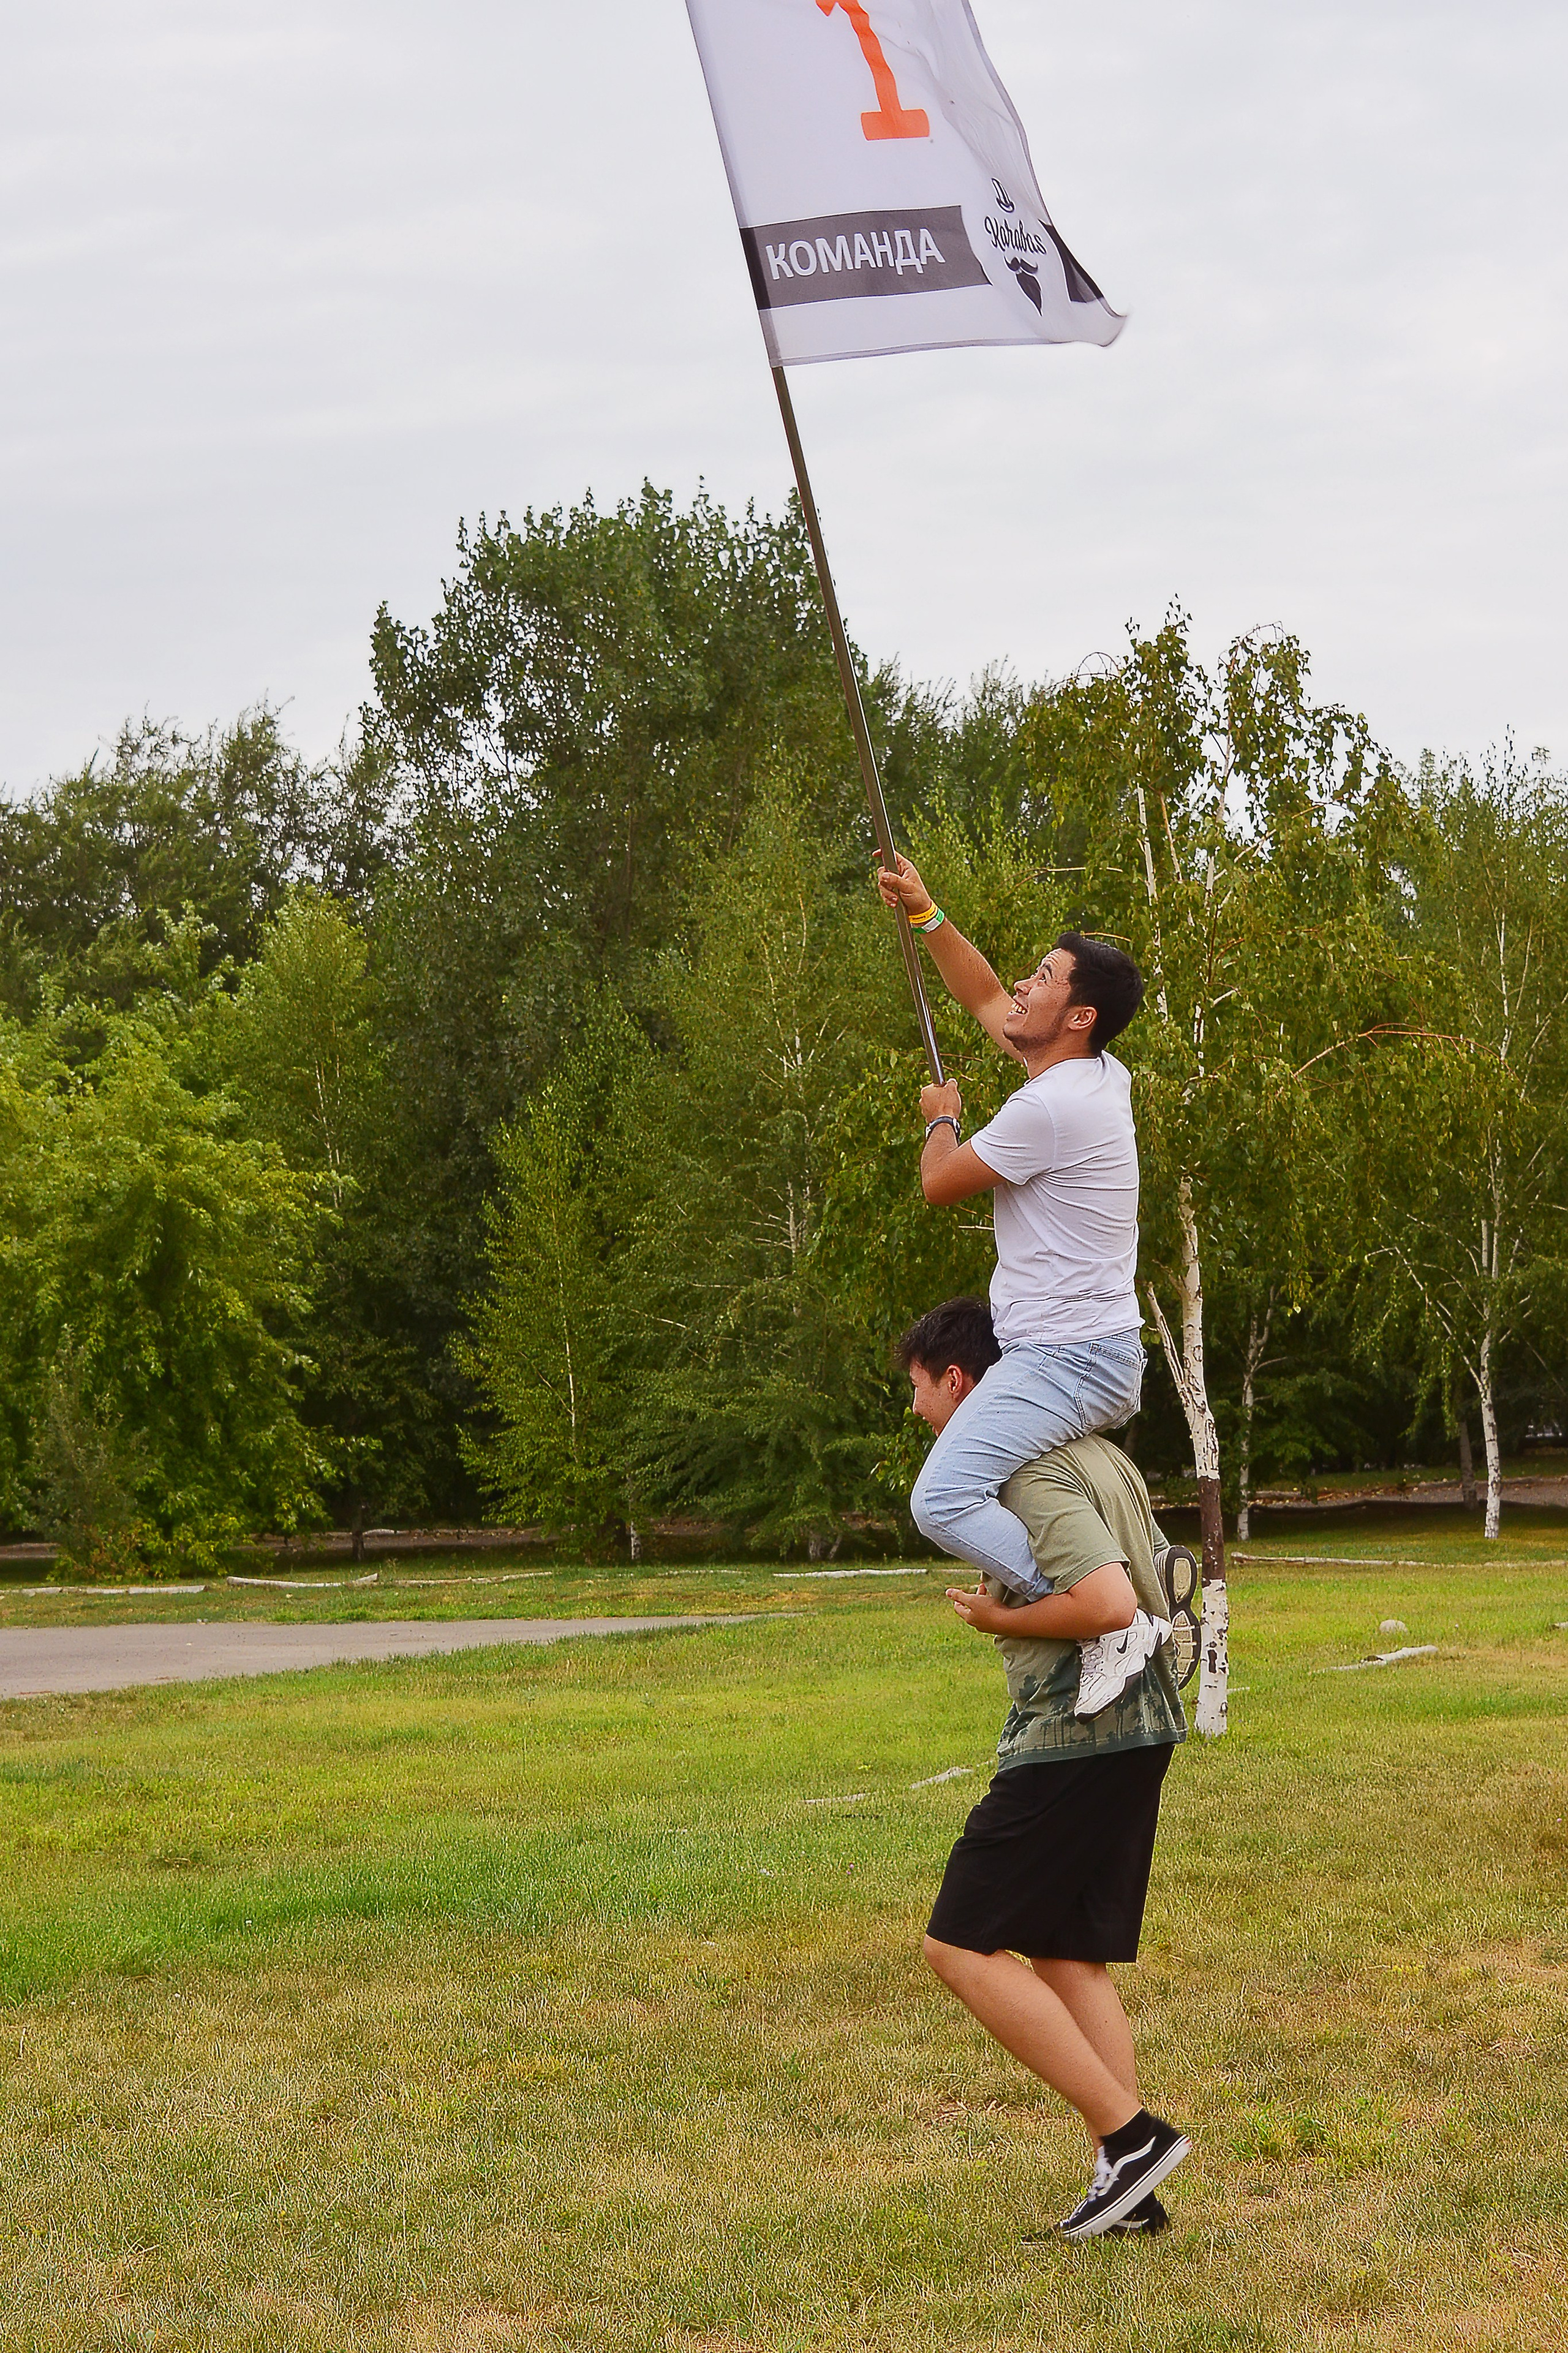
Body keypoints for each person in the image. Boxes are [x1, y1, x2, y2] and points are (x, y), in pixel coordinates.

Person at [899, 1297, 1191, 2238]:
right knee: (1066, 1951)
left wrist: (1002, 1617)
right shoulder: (1100, 1451)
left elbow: (1106, 1602)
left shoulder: (1023, 1465)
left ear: (960, 1382)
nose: (917, 1411)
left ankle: (1132, 2137)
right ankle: (1128, 2187)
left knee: (958, 1942)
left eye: (919, 1389)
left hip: (1078, 1730)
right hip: (1136, 1726)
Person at [876, 853, 1163, 1713]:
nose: (1023, 987)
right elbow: (983, 997)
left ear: (1079, 1015)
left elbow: (940, 1183)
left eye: (1043, 977)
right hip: (1087, 1351)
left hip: (1067, 1358)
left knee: (941, 1499)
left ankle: (1100, 1612)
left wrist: (941, 1119)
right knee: (979, 1488)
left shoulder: (1049, 1108)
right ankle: (1100, 1593)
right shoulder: (1096, 1073)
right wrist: (927, 913)